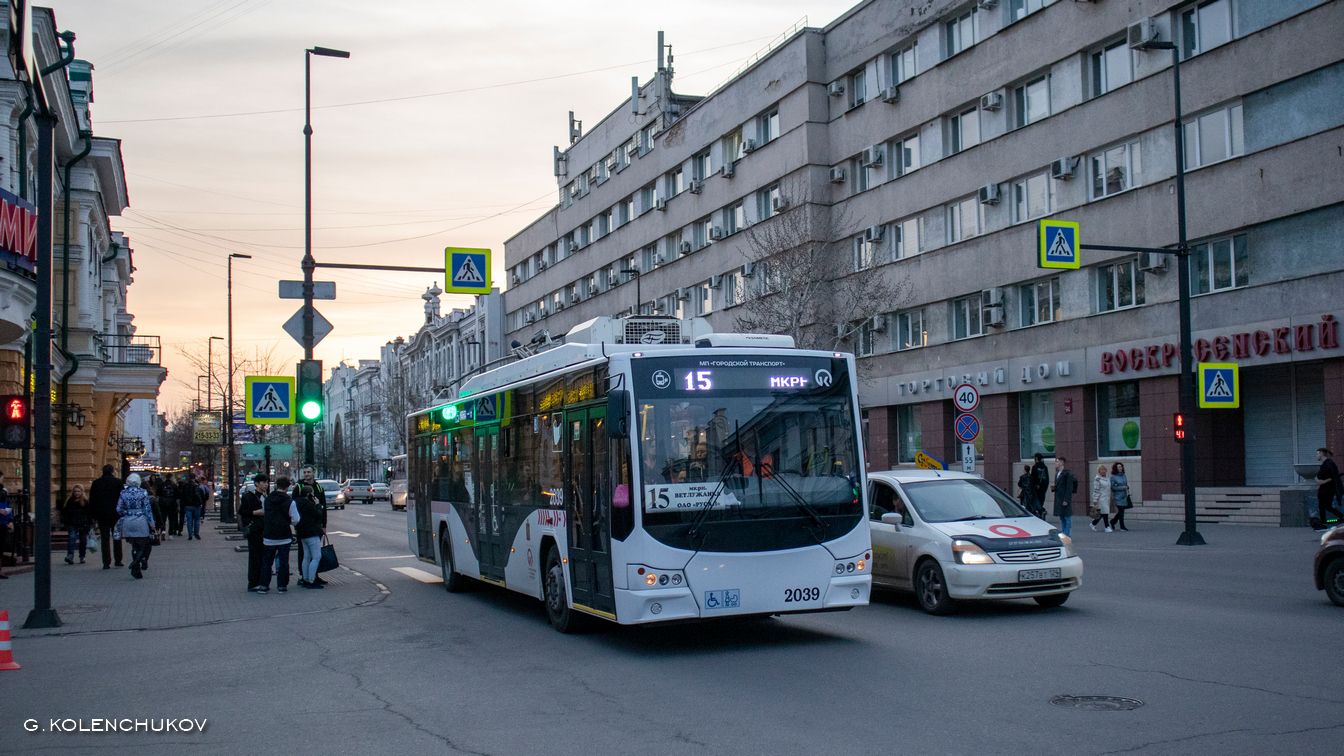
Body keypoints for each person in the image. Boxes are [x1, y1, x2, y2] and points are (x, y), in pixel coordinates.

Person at [259, 475, 299, 594]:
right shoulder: (290, 501)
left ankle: (263, 586)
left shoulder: (267, 499)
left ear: (276, 486)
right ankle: (282, 586)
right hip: (284, 536)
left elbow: (264, 513)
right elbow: (296, 519)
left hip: (269, 535)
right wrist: (287, 522)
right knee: (283, 562)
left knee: (266, 561)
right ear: (287, 488)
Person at [116, 473, 155, 580]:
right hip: (141, 520)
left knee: (134, 545)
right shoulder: (143, 492)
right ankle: (135, 563)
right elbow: (147, 510)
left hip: (128, 521)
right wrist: (152, 524)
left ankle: (136, 569)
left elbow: (118, 509)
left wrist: (126, 513)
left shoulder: (123, 493)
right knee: (142, 545)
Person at [291, 466, 326, 583]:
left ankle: (314, 575)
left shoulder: (319, 488)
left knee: (312, 552)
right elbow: (294, 506)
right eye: (305, 472)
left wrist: (324, 525)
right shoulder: (299, 488)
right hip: (304, 525)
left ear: (313, 473)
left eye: (309, 472)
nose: (306, 474)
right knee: (305, 552)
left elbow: (324, 508)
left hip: (316, 525)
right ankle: (304, 576)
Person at [89, 464, 124, 569]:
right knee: (117, 536)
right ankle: (118, 560)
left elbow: (92, 500)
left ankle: (106, 562)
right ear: (113, 471)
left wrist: (93, 516)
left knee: (104, 538)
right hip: (115, 514)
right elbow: (122, 499)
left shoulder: (96, 483)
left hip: (102, 515)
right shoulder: (118, 482)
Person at [240, 475, 269, 593]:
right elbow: (242, 511)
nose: (266, 485)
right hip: (255, 531)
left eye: (267, 482)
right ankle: (253, 582)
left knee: (263, 557)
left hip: (264, 530)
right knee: (255, 557)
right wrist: (254, 512)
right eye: (263, 482)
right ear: (256, 483)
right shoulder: (250, 497)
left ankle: (261, 581)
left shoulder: (266, 496)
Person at [62, 483, 93, 564]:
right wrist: (67, 524)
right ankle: (70, 555)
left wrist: (89, 525)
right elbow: (65, 513)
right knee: (72, 538)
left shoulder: (85, 502)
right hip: (72, 524)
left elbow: (89, 514)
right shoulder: (69, 501)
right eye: (75, 491)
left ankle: (82, 556)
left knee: (83, 541)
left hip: (83, 524)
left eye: (78, 491)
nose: (77, 493)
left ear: (82, 492)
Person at [1316, 448, 1343, 530]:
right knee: (1321, 506)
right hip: (1323, 488)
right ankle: (1323, 522)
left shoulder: (1329, 463)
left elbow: (1334, 476)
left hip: (1329, 488)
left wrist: (1324, 482)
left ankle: (1341, 516)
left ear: (1322, 454)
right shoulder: (1324, 464)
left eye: (1318, 453)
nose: (1317, 455)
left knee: (1327, 506)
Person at [1051, 456, 1077, 537]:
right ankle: (1064, 533)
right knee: (1062, 517)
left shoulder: (1067, 474)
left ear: (1062, 463)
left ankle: (1067, 534)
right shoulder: (1057, 474)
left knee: (1067, 517)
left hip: (1064, 498)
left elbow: (1069, 488)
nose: (1056, 463)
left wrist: (1066, 499)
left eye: (1057, 461)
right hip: (1059, 498)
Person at [1090, 465, 1113, 532]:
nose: (1103, 471)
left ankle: (1093, 523)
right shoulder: (1098, 479)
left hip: (1107, 497)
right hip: (1101, 498)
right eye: (1101, 469)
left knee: (1102, 513)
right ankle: (1107, 526)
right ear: (1099, 471)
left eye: (1104, 469)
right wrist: (1095, 499)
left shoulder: (1107, 478)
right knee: (1105, 512)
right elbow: (1096, 489)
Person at [1109, 462, 1132, 531]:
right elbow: (1113, 487)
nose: (1120, 468)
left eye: (1121, 467)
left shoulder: (1123, 475)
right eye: (1118, 467)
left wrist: (1126, 487)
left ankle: (1113, 521)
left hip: (1124, 496)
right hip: (1117, 496)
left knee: (1121, 511)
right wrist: (1122, 488)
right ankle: (1122, 526)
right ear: (1116, 468)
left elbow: (1125, 483)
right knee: (1121, 510)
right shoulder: (1113, 477)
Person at [183, 473, 205, 541]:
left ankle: (190, 535)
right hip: (196, 505)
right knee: (197, 520)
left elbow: (182, 495)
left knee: (189, 521)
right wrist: (200, 503)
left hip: (188, 505)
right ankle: (196, 534)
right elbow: (201, 495)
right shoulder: (197, 486)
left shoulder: (185, 486)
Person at [0, 470, 12, 578]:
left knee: (1, 546)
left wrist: (10, 520)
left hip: (3, 522)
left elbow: (8, 505)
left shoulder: (3, 491)